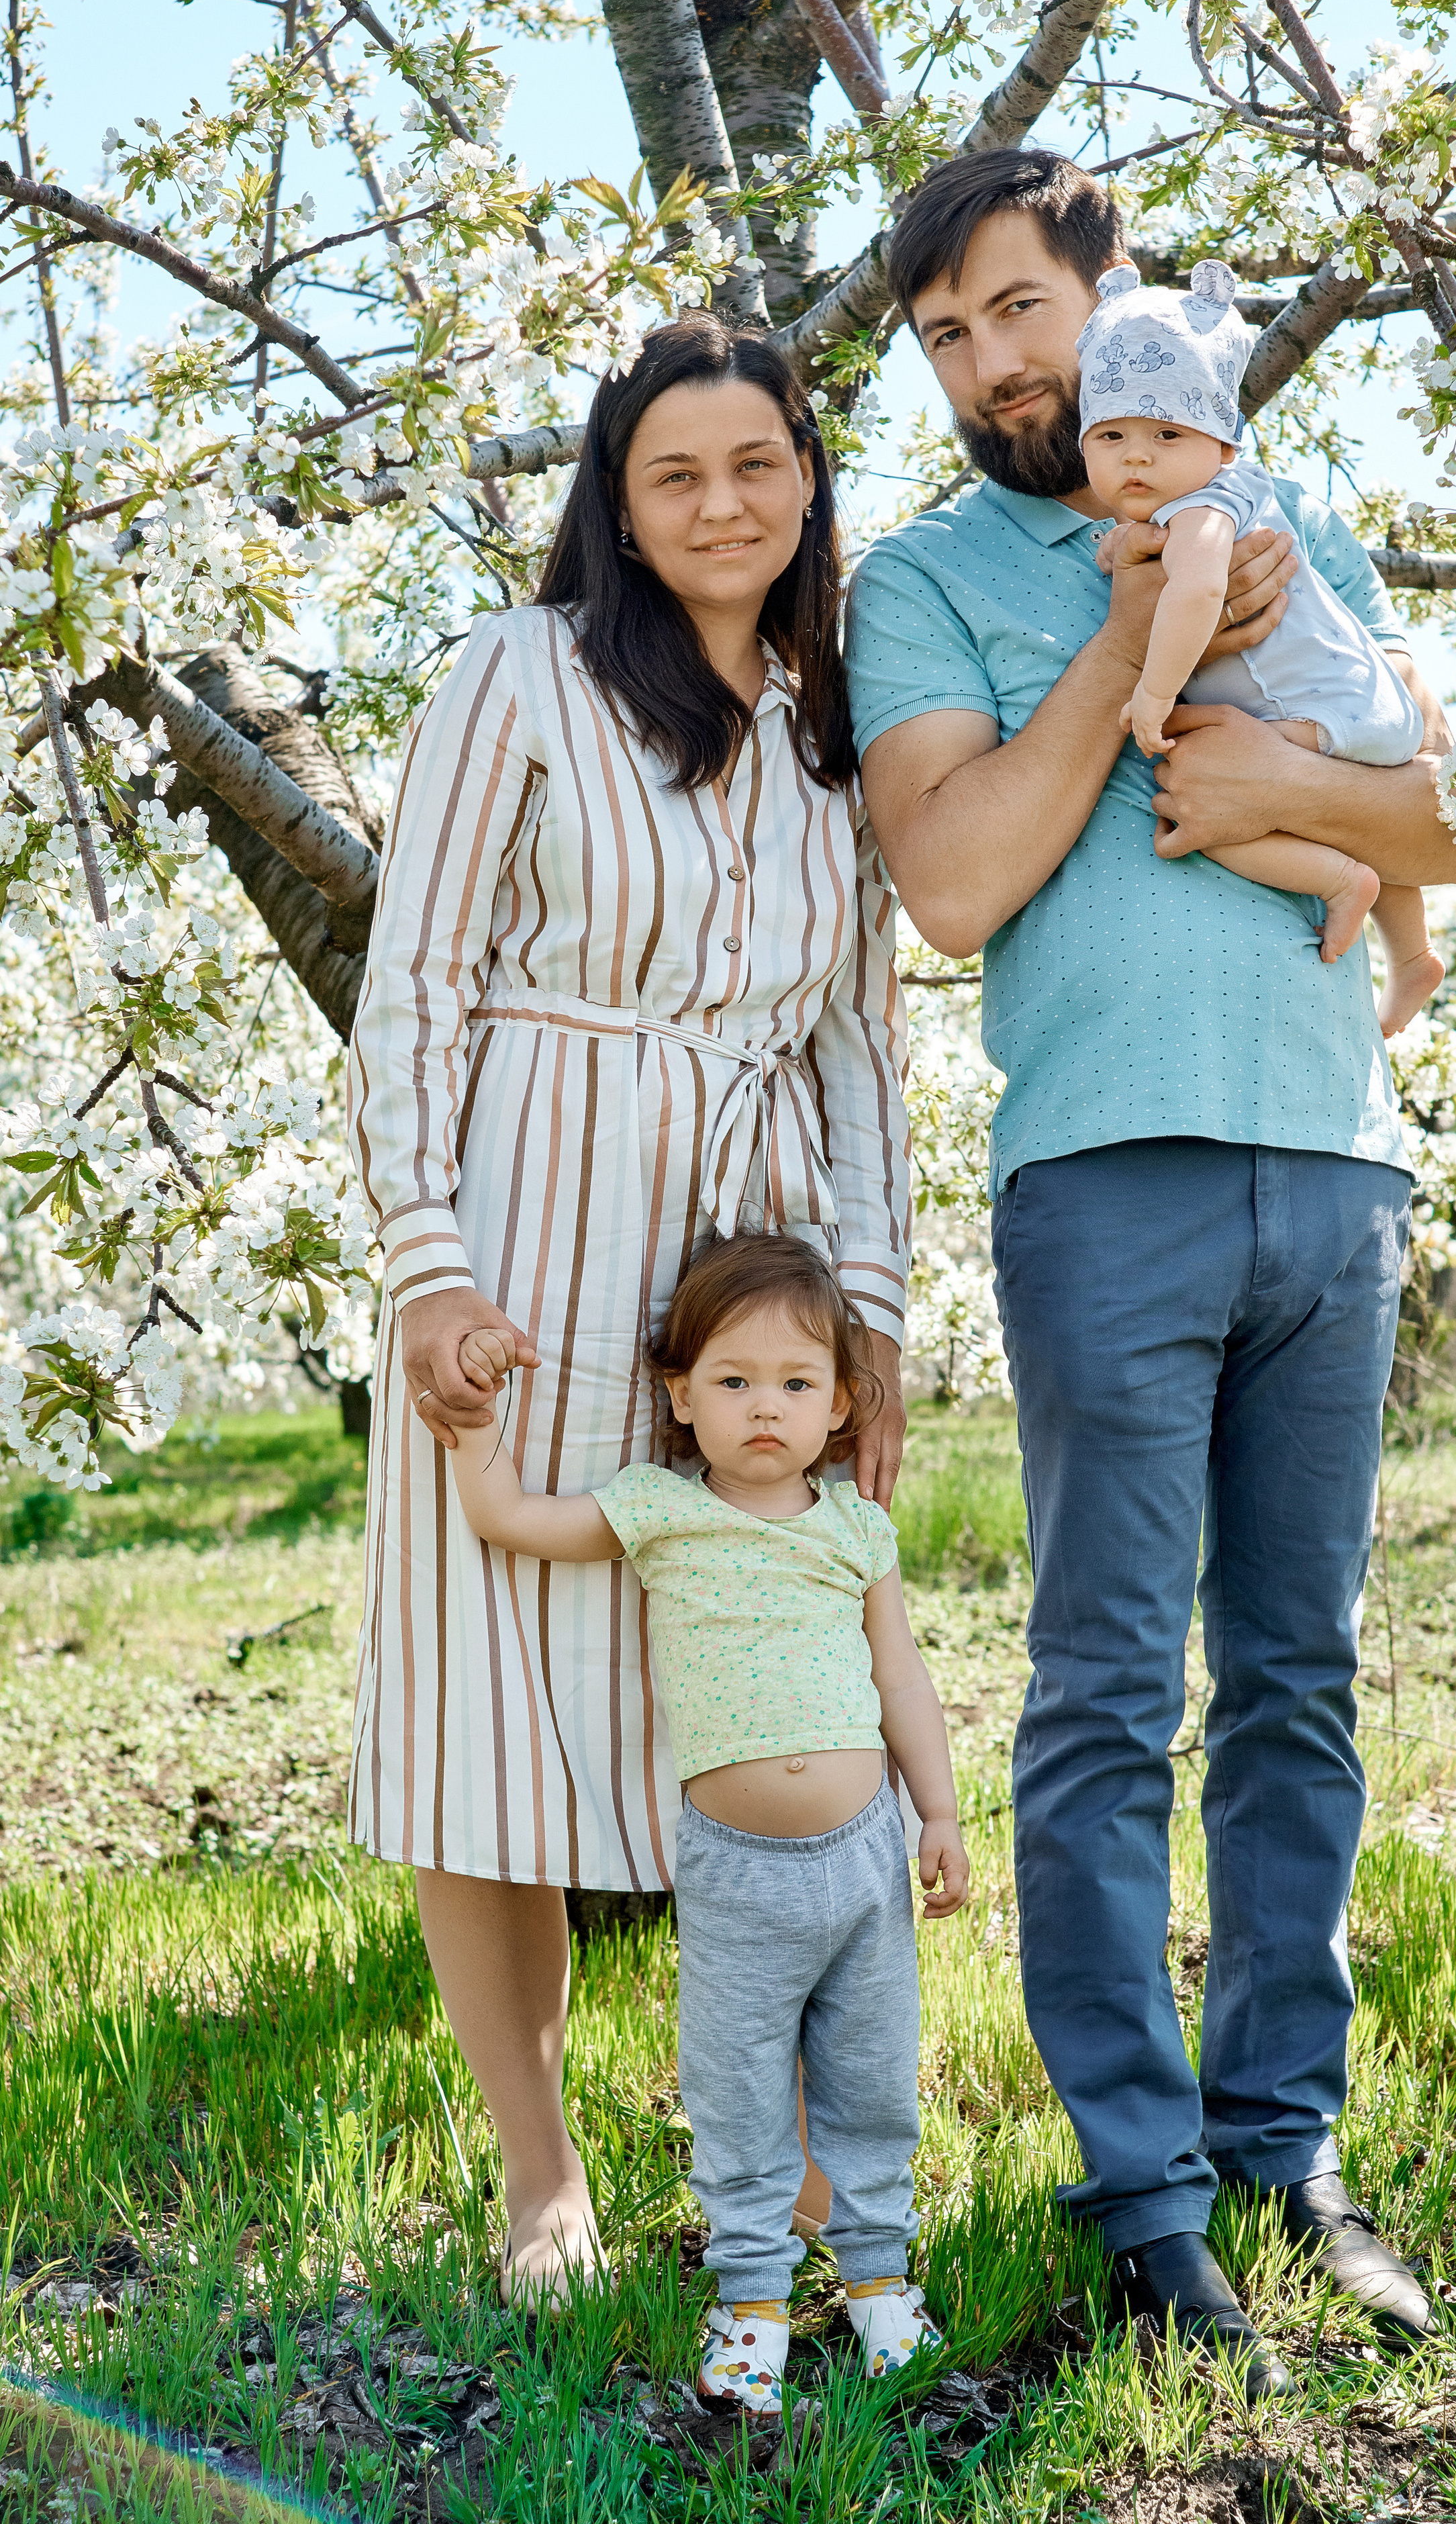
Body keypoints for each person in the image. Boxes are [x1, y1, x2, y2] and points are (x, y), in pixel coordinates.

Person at [845, 146, 1456, 2400]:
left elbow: (1440, 815)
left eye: (1017, 308)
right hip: (1101, 1174)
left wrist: (1290, 764)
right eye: (944, 336)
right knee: (1111, 1690)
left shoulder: (1300, 503)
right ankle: (1140, 2195)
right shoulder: (921, 587)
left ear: (1115, 298)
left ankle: (1285, 2146)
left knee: (1296, 1681)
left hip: (1332, 1164)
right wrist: (1143, 617)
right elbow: (955, 878)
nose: (990, 362)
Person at [346, 315, 912, 2309]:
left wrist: (870, 1309)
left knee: (748, 1673)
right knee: (489, 1688)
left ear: (806, 482)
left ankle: (793, 2143)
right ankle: (540, 2169)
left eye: (755, 463)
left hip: (738, 1259)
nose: (719, 502)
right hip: (526, 1208)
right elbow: (412, 977)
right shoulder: (521, 671)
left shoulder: (835, 721)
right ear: (616, 495)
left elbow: (854, 1039)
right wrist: (426, 1262)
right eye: (673, 471)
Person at [449, 1233, 968, 2412]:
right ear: (680, 1397)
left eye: (795, 1384)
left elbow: (902, 1680)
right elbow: (510, 1520)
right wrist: (472, 1429)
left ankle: (882, 2278)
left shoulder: (855, 1531)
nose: (765, 1409)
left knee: (873, 2082)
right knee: (734, 2090)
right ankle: (751, 2301)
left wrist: (937, 1811)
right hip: (736, 1871)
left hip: (868, 1859)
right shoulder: (658, 1512)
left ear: (841, 1404)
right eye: (732, 1382)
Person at [1079, 260, 1443, 1039]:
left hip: (1308, 714)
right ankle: (1411, 956)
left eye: (1166, 435)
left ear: (1219, 441)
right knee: (1348, 803)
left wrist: (1151, 693)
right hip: (1358, 706)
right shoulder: (1233, 494)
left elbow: (1195, 594)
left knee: (1203, 798)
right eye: (1111, 436)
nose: (1136, 457)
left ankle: (1341, 881)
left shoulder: (1204, 511)